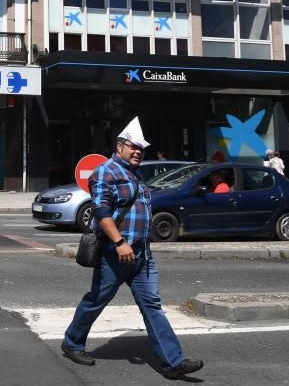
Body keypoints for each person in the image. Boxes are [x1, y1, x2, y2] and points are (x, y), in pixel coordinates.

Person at [60, 117, 203, 380]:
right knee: (96, 301)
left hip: (141, 255)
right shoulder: (106, 171)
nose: (138, 151)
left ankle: (173, 362)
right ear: (120, 146)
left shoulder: (135, 175)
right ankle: (71, 343)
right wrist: (119, 242)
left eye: (141, 148)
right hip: (115, 253)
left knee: (152, 306)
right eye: (133, 146)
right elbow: (101, 210)